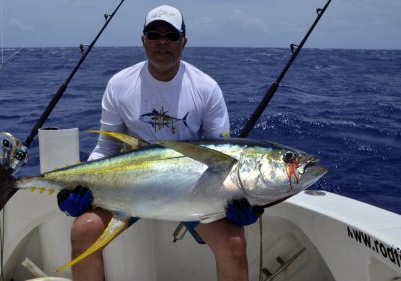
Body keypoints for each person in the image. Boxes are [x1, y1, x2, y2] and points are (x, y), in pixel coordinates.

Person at [57, 5, 260, 281]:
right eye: (154, 34)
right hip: (131, 188)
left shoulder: (206, 87)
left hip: (194, 191)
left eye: (172, 35)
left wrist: (246, 201)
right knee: (83, 230)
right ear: (143, 41)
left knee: (233, 243)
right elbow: (106, 148)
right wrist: (79, 186)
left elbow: (221, 155)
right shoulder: (119, 84)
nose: (162, 41)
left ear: (184, 42)